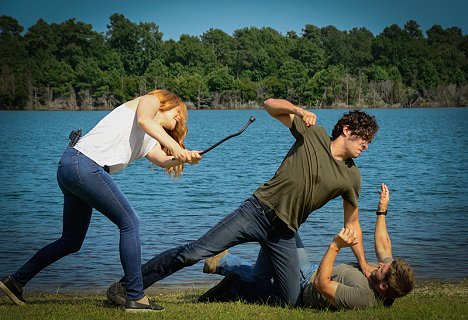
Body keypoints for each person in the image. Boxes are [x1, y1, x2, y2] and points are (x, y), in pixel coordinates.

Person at [106, 98, 379, 307]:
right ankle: (128, 287)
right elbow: (269, 105)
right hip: (255, 212)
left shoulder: (352, 177)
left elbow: (352, 226)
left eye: (369, 142)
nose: (366, 145)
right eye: (364, 138)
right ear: (346, 130)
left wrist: (365, 266)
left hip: (284, 234)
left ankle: (234, 286)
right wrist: (297, 109)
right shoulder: (313, 134)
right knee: (193, 252)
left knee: (292, 300)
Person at [0, 89, 201, 312]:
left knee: (71, 241)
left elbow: (162, 160)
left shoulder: (149, 139)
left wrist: (185, 157)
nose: (180, 117)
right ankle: (135, 296)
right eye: (178, 110)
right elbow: (144, 120)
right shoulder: (149, 102)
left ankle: (15, 281)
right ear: (166, 103)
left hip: (71, 166)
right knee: (130, 223)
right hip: (85, 165)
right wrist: (176, 147)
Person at [199, 183, 415, 310]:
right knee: (280, 230)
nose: (379, 264)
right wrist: (382, 210)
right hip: (309, 270)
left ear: (384, 287)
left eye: (382, 269)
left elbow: (322, 284)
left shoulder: (362, 297)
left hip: (304, 285)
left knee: (280, 230)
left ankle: (225, 264)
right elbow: (384, 246)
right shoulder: (387, 277)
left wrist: (335, 246)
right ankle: (222, 262)